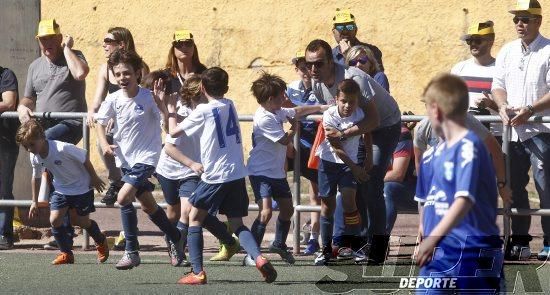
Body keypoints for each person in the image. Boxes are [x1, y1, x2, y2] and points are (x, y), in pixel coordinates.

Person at [167, 67, 277, 285]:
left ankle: (197, 272)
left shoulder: (203, 111)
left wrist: (170, 109)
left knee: (194, 218)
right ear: (226, 88)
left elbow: (173, 133)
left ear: (203, 87)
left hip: (215, 175)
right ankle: (259, 257)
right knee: (237, 223)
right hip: (237, 174)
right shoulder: (230, 104)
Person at [306, 39, 401, 264]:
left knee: (370, 181)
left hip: (384, 126)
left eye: (318, 64)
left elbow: (373, 119)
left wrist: (346, 137)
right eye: (308, 64)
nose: (312, 69)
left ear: (330, 61)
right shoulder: (316, 83)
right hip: (354, 130)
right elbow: (334, 119)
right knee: (351, 185)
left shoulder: (353, 78)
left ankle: (377, 248)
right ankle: (355, 243)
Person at [94, 49, 186, 270]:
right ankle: (176, 238)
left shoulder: (148, 97)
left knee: (123, 197)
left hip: (147, 158)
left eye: (127, 73)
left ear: (136, 73)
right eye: (118, 74)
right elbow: (99, 122)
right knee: (148, 206)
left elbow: (166, 125)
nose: (122, 78)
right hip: (126, 160)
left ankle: (132, 251)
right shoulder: (113, 99)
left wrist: (163, 106)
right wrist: (105, 144)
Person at [415, 73, 504, 292]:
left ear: (435, 110)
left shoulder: (469, 146)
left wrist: (431, 239)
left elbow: (463, 199)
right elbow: (427, 200)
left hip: (474, 251)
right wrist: (424, 230)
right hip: (440, 253)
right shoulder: (429, 157)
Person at [18, 19, 89, 250]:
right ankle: (64, 232)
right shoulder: (34, 66)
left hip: (70, 123)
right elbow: (29, 97)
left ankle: (64, 228)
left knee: (44, 149)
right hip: (44, 127)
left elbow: (80, 74)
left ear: (60, 38)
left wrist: (68, 48)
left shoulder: (74, 54)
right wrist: (22, 107)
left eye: (51, 38)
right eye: (43, 39)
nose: (47, 43)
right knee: (56, 172)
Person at [245, 72, 328, 266]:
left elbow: (298, 111)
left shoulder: (276, 110)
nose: (286, 98)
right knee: (265, 212)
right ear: (270, 99)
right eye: (282, 95)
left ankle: (279, 244)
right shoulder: (264, 117)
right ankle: (252, 254)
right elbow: (284, 139)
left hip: (276, 172)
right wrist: (294, 127)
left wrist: (324, 107)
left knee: (287, 209)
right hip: (260, 173)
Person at [492, 0, 550, 261]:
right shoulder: (507, 50)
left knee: (545, 187)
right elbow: (498, 85)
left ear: (538, 21)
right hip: (512, 132)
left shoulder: (548, 50)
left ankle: (548, 242)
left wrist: (529, 108)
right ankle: (520, 242)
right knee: (514, 188)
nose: (519, 24)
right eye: (516, 19)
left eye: (525, 19)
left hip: (541, 130)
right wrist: (502, 105)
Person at [17, 119, 109, 265]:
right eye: (25, 146)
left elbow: (84, 157)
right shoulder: (33, 155)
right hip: (61, 189)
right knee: (54, 220)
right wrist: (34, 201)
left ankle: (100, 241)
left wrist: (94, 178)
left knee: (82, 222)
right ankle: (66, 253)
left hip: (81, 187)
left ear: (42, 137)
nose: (29, 149)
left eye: (31, 144)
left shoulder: (62, 148)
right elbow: (36, 177)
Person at [87, 27, 150, 206]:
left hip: (137, 119)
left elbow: (145, 97)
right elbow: (99, 97)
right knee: (103, 142)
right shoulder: (105, 69)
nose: (104, 45)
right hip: (115, 121)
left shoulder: (139, 67)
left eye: (108, 41)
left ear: (121, 44)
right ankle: (116, 182)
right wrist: (92, 110)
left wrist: (121, 112)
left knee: (144, 201)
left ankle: (135, 180)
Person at [313, 79, 370, 266]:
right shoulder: (329, 116)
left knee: (349, 201)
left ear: (357, 101)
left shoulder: (360, 114)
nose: (347, 106)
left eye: (351, 102)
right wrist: (356, 168)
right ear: (336, 99)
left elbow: (367, 132)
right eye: (343, 101)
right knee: (328, 206)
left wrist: (368, 157)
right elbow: (336, 147)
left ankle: (356, 247)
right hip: (329, 163)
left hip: (348, 165)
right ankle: (326, 250)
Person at [154, 74, 205, 267]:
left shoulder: (206, 109)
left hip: (190, 170)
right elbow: (170, 133)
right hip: (168, 169)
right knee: (173, 213)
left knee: (187, 211)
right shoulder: (180, 110)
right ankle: (172, 241)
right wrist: (165, 109)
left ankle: (182, 249)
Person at [285, 51, 322, 255]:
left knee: (316, 193)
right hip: (297, 144)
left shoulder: (322, 88)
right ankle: (290, 229)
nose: (306, 71)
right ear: (296, 69)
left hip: (317, 145)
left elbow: (323, 111)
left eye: (308, 66)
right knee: (285, 185)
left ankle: (315, 237)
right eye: (301, 67)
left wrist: (298, 109)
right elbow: (286, 111)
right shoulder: (291, 88)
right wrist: (301, 110)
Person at [452, 21, 500, 135]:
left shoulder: (501, 69)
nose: (473, 44)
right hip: (464, 134)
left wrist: (490, 104)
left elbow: (511, 109)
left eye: (478, 40)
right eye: (469, 41)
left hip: (496, 135)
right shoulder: (459, 69)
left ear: (491, 42)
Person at [384, 123, 417, 235]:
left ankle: (378, 243)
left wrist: (368, 179)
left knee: (387, 189)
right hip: (376, 183)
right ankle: (343, 244)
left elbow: (398, 174)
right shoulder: (358, 132)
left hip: (409, 188)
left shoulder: (401, 134)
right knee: (346, 191)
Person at [0, 66, 19, 250]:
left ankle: (4, 234)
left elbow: (9, 103)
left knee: (3, 187)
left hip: (4, 141)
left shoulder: (6, 75)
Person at [165, 29, 207, 94]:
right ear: (173, 49)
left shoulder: (205, 74)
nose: (184, 47)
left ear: (194, 48)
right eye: (178, 44)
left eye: (188, 43)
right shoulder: (165, 77)